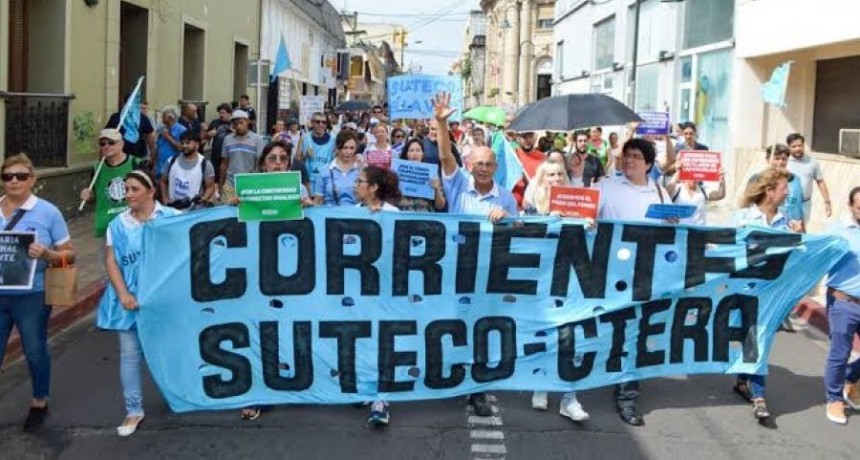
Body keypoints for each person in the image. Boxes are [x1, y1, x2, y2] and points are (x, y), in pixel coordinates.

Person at [435, 92, 516, 418]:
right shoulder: (458, 186)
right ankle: (453, 376)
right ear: (469, 166)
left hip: (489, 273)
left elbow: (518, 234)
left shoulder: (507, 197)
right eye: (478, 164)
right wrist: (441, 123)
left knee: (483, 327)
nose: (483, 168)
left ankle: (478, 388)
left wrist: (508, 220)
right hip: (457, 270)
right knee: (454, 324)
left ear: (496, 167)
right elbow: (444, 159)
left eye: (488, 164)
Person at [594, 138, 673, 427]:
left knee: (635, 334)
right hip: (608, 273)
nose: (629, 161)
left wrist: (675, 225)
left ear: (649, 164)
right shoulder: (606, 186)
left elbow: (673, 234)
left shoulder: (661, 193)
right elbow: (578, 210)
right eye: (626, 156)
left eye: (636, 157)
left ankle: (627, 395)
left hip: (646, 275)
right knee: (602, 329)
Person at [98, 169, 180, 437]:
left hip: (163, 301)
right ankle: (133, 410)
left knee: (168, 351)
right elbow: (111, 261)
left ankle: (178, 395)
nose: (129, 195)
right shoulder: (118, 224)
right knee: (130, 356)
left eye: (134, 189)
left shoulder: (171, 218)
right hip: (130, 299)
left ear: (150, 190)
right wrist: (122, 294)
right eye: (127, 190)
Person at [0, 153, 75, 433]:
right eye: (8, 176)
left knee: (34, 350)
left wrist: (47, 253)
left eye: (21, 176)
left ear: (32, 179)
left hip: (32, 295)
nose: (14, 181)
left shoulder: (47, 212)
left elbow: (70, 256)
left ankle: (39, 401)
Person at [732, 168, 802, 421]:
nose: (787, 193)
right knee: (747, 337)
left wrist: (797, 236)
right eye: (784, 188)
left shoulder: (786, 223)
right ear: (769, 191)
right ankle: (742, 381)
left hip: (770, 295)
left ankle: (758, 395)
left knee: (760, 340)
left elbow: (796, 259)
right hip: (741, 291)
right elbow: (723, 250)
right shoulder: (742, 218)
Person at [824, 186, 860, 425]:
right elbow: (814, 254)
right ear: (851, 206)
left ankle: (850, 377)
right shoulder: (839, 231)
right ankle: (834, 399)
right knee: (840, 352)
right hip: (843, 302)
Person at [80, 129, 145, 237]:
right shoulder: (97, 168)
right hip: (107, 227)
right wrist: (88, 197)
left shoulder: (136, 164)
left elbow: (149, 194)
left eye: (111, 142)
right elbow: (95, 198)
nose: (106, 146)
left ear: (121, 144)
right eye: (102, 143)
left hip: (134, 225)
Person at [159, 130, 217, 209]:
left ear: (197, 145)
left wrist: (204, 199)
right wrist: (165, 199)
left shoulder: (205, 164)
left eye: (188, 143)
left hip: (193, 213)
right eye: (182, 143)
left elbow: (210, 186)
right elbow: (163, 181)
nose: (184, 146)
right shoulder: (172, 161)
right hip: (173, 210)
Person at [219, 110, 265, 203]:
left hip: (250, 184)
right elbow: (224, 163)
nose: (238, 126)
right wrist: (221, 184)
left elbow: (261, 163)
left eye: (241, 123)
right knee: (228, 213)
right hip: (230, 183)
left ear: (247, 122)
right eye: (235, 124)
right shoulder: (227, 139)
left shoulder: (257, 140)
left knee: (247, 213)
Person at [786, 132, 832, 223]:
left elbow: (820, 182)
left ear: (804, 145)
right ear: (789, 147)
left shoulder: (812, 162)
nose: (797, 148)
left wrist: (827, 202)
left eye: (800, 145)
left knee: (801, 230)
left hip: (805, 204)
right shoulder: (785, 162)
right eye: (794, 146)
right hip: (787, 203)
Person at [395, 139, 446, 212]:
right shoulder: (397, 172)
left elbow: (440, 206)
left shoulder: (432, 173)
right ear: (406, 154)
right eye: (411, 150)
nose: (415, 153)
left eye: (418, 150)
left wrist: (436, 189)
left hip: (425, 218)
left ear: (423, 153)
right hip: (402, 216)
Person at [313, 131, 362, 206]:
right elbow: (318, 201)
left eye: (352, 148)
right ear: (337, 148)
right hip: (330, 215)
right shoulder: (324, 171)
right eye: (345, 148)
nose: (348, 152)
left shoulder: (360, 170)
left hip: (355, 215)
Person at [105, 93, 156, 161]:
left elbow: (150, 136)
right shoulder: (116, 117)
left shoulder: (142, 118)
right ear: (125, 104)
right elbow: (106, 135)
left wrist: (153, 155)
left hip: (136, 156)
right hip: (117, 155)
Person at [296, 112, 338, 195]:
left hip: (325, 184)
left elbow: (335, 163)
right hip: (308, 183)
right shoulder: (304, 138)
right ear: (312, 123)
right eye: (317, 122)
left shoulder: (333, 140)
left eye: (324, 122)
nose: (321, 125)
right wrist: (305, 156)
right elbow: (296, 162)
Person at [512, 132, 546, 208]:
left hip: (534, 207)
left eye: (530, 136)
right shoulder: (512, 155)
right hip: (514, 207)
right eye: (524, 137)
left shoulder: (543, 158)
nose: (528, 140)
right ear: (517, 138)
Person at [154, 105, 187, 180]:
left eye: (163, 116)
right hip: (159, 168)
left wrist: (168, 137)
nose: (161, 118)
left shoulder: (181, 130)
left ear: (170, 117)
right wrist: (154, 165)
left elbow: (182, 148)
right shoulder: (162, 129)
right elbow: (158, 147)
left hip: (173, 169)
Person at [205, 103, 234, 183]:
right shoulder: (215, 123)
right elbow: (205, 136)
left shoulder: (234, 123)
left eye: (223, 113)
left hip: (229, 155)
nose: (221, 115)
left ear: (229, 113)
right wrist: (209, 134)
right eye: (220, 113)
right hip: (216, 154)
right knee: (216, 176)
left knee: (227, 177)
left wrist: (234, 132)